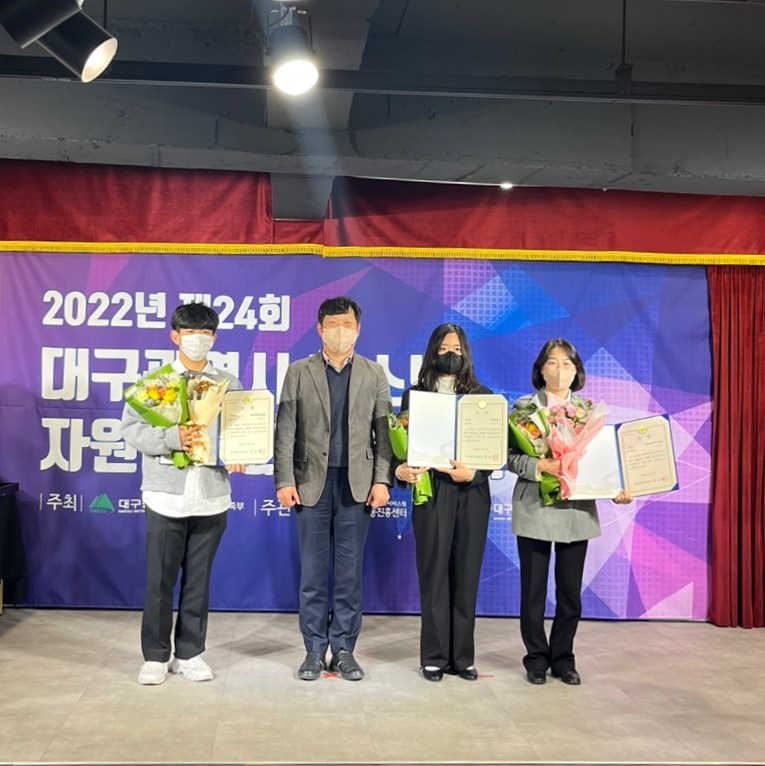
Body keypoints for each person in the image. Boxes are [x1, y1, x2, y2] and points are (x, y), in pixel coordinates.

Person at [121, 302, 244, 686]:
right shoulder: (156, 382)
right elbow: (132, 430)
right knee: (159, 581)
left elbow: (243, 428)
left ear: (215, 338)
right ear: (175, 336)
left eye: (205, 333)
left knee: (198, 582)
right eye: (190, 332)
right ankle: (156, 656)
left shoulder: (227, 383)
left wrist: (242, 452)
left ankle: (190, 653)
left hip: (211, 496)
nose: (197, 339)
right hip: (165, 495)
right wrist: (172, 437)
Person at [274, 296, 392, 682]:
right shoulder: (299, 371)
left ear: (358, 329)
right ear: (320, 329)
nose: (341, 331)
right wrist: (285, 480)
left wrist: (382, 479)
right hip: (310, 484)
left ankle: (343, 650)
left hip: (357, 486)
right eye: (333, 324)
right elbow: (285, 430)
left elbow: (384, 433)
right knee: (312, 574)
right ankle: (313, 650)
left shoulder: (374, 374)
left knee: (348, 575)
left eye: (347, 324)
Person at [507, 338, 631, 686]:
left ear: (577, 371)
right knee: (533, 593)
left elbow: (603, 463)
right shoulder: (523, 409)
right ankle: (535, 658)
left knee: (570, 593)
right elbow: (509, 458)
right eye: (552, 362)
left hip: (576, 510)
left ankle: (563, 658)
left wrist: (615, 489)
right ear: (540, 369)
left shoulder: (590, 413)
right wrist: (539, 465)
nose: (559, 370)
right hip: (535, 506)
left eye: (566, 364)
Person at [395, 324, 493, 682]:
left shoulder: (483, 396)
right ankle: (434, 656)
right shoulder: (415, 396)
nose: (451, 354)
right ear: (432, 352)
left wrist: (475, 473)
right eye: (443, 348)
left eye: (457, 349)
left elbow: (493, 452)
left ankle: (462, 657)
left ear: (466, 353)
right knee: (434, 573)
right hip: (432, 491)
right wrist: (402, 470)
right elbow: (400, 446)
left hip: (471, 492)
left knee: (466, 575)